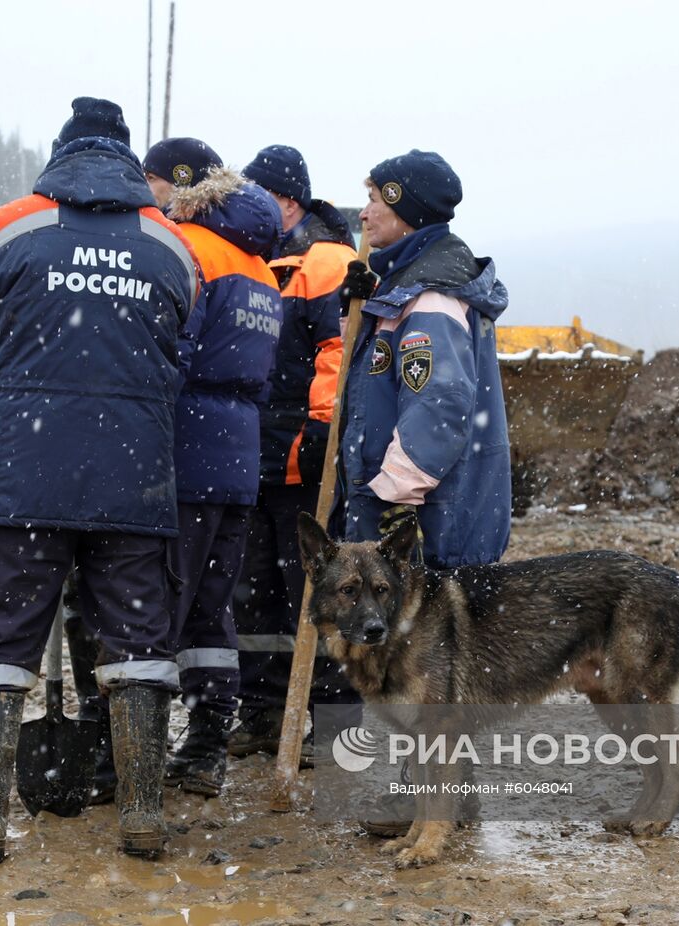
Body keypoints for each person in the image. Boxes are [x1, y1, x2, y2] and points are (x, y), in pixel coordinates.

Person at [0, 98, 199, 865]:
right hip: (135, 476)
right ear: (127, 159)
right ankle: (143, 813)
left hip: (25, 474)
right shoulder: (170, 244)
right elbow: (186, 327)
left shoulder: (10, 226)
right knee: (139, 641)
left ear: (60, 152)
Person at [337, 150, 511, 837]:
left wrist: (389, 498)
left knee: (425, 662)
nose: (365, 210)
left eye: (376, 198)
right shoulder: (406, 285)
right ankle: (444, 794)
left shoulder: (431, 298)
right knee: (434, 662)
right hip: (426, 506)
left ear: (406, 207)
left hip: (427, 514)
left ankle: (425, 798)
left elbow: (438, 408)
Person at [140, 137, 283, 797]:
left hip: (186, 452)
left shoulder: (191, 251)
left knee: (160, 603)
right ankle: (205, 747)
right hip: (236, 456)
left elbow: (172, 352)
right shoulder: (259, 267)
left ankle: (135, 752)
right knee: (211, 609)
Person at [228, 144, 360, 762]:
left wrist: (318, 434)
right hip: (252, 462)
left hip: (303, 465)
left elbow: (338, 354)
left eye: (257, 195)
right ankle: (261, 712)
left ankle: (336, 728)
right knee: (254, 596)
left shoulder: (327, 262)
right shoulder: (257, 261)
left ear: (286, 200)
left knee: (321, 592)